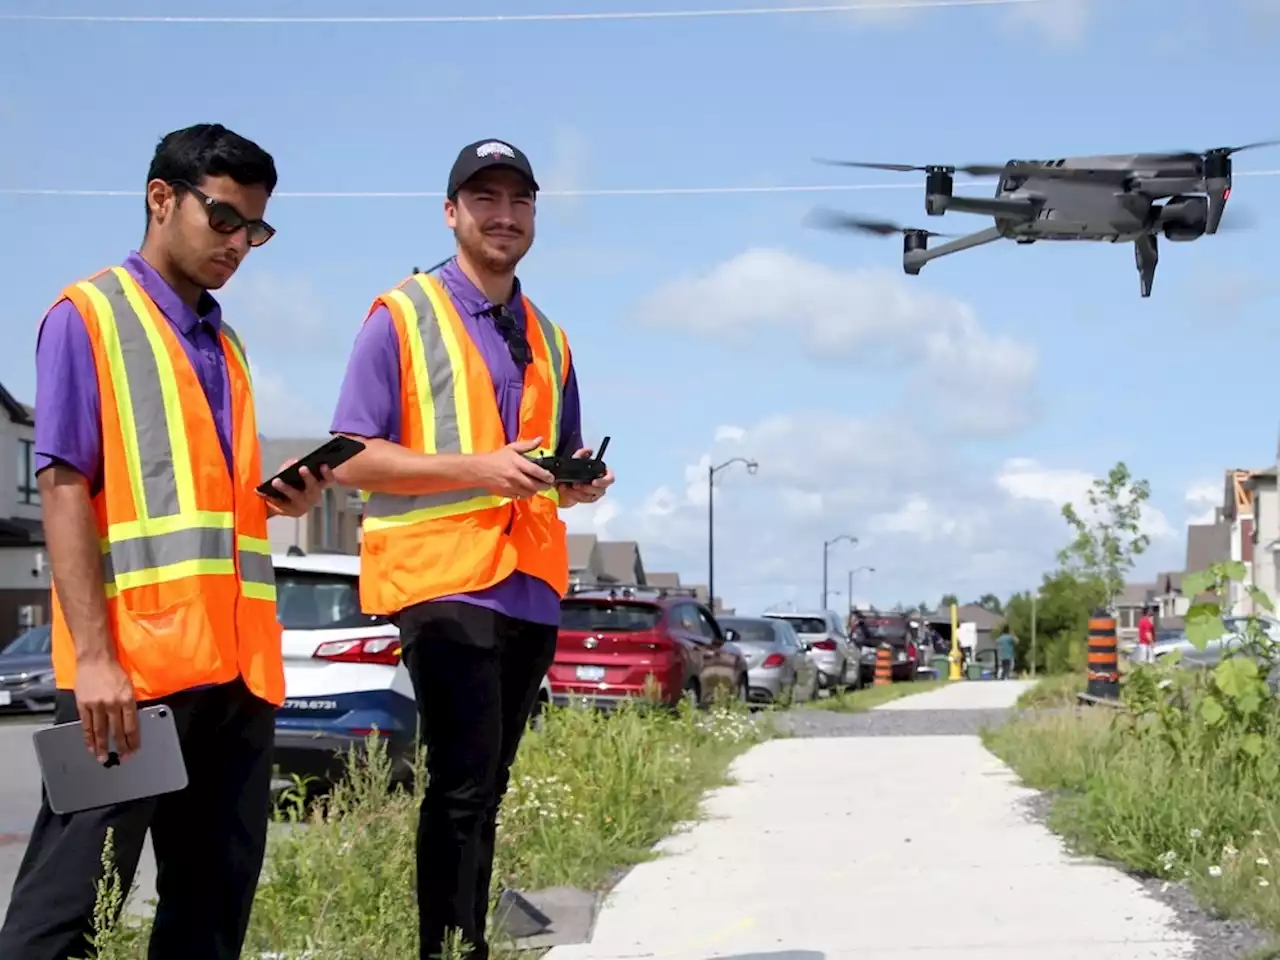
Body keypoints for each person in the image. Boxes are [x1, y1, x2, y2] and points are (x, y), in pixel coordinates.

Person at [0, 123, 330, 960]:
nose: (240, 245)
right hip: (135, 684)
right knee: (66, 916)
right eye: (224, 219)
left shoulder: (228, 344)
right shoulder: (89, 318)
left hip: (237, 680)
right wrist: (98, 660)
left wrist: (278, 502)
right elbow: (64, 487)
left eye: (255, 230)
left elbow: (198, 505)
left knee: (211, 918)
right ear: (161, 199)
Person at [329, 137, 615, 960]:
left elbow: (542, 466)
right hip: (441, 583)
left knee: (486, 789)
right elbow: (349, 454)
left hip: (526, 584)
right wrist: (478, 469)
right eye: (484, 199)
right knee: (458, 786)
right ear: (451, 212)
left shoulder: (551, 337)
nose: (504, 215)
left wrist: (576, 483)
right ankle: (448, 951)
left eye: (519, 200)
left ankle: (466, 944)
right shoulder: (402, 315)